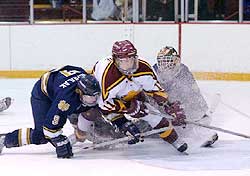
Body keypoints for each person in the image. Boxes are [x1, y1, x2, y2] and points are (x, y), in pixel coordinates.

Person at [92, 40, 188, 152]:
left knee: (155, 116)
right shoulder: (108, 77)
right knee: (121, 123)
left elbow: (155, 90)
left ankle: (175, 140)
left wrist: (169, 106)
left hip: (133, 92)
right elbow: (104, 104)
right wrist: (128, 108)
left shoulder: (144, 68)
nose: (128, 65)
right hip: (112, 101)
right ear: (116, 61)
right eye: (123, 61)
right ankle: (108, 130)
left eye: (131, 59)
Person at [0, 65, 101, 158]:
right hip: (43, 95)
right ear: (79, 91)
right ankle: (5, 139)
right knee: (41, 136)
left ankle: (80, 123)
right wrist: (59, 141)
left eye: (96, 97)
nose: (93, 101)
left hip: (58, 83)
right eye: (89, 98)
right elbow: (49, 128)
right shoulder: (65, 101)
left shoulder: (91, 86)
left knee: (91, 108)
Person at [152, 46, 218, 147]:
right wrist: (165, 107)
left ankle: (198, 130)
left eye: (168, 61)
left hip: (178, 108)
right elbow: (149, 96)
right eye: (162, 61)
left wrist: (199, 114)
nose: (164, 65)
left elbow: (194, 95)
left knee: (190, 113)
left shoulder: (183, 71)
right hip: (161, 108)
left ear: (176, 61)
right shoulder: (154, 72)